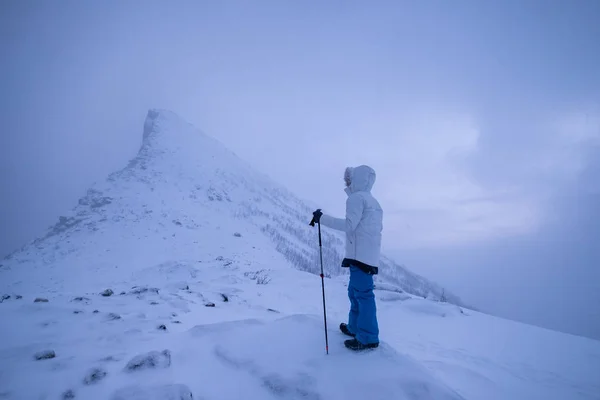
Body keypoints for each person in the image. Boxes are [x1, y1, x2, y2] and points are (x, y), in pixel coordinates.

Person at [311, 165, 383, 351]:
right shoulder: (373, 202)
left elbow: (349, 225)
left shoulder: (356, 199)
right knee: (356, 293)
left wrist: (322, 219)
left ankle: (367, 337)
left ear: (356, 180)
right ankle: (355, 328)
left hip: (359, 256)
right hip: (368, 256)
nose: (347, 183)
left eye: (349, 179)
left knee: (362, 296)